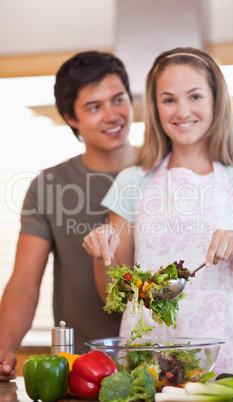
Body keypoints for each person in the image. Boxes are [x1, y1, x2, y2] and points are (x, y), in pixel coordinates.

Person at [83, 47, 233, 375]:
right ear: (155, 108)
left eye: (195, 96)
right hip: (145, 364)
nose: (182, 111)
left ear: (216, 101)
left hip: (224, 364)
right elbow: (115, 294)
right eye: (169, 99)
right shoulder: (132, 182)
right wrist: (103, 251)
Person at [0, 50, 139, 381]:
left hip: (162, 362)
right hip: (83, 370)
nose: (112, 115)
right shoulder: (49, 186)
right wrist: (4, 348)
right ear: (70, 117)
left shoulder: (166, 175)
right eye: (94, 107)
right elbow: (24, 283)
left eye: (118, 99)